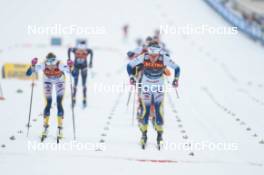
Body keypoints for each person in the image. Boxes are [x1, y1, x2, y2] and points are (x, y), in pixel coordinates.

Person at [127, 46, 180, 149]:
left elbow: (177, 68)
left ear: (159, 54)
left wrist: (176, 79)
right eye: (151, 55)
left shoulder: (164, 58)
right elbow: (129, 66)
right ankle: (144, 134)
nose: (152, 58)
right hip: (146, 86)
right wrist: (131, 76)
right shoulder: (144, 56)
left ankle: (160, 135)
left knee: (158, 110)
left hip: (159, 87)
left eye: (155, 56)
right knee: (145, 110)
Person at [26, 52, 73, 141]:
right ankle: (45, 127)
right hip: (47, 82)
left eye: (53, 62)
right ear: (46, 61)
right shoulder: (43, 64)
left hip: (60, 82)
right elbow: (28, 74)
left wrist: (71, 67)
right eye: (49, 62)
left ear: (56, 61)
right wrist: (32, 65)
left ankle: (60, 128)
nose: (51, 65)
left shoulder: (60, 64)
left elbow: (73, 74)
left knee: (59, 103)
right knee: (48, 103)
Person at [68, 40, 93, 107]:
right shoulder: (78, 49)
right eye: (79, 50)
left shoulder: (85, 50)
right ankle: (74, 99)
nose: (81, 51)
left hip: (83, 67)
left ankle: (83, 99)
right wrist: (69, 59)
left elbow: (91, 52)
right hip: (77, 67)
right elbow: (69, 49)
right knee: (76, 84)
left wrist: (91, 62)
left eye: (83, 50)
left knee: (83, 84)